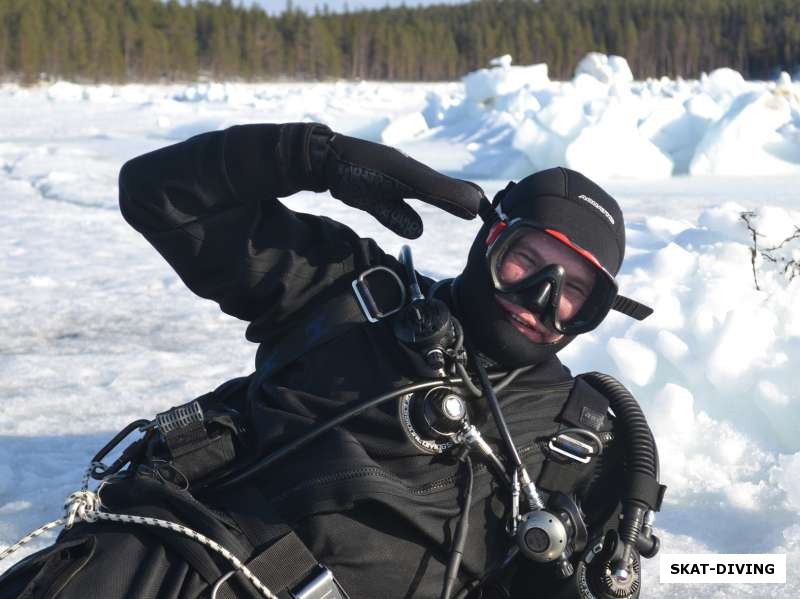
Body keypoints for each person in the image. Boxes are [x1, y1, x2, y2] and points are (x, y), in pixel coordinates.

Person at [0, 123, 664, 599]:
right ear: (489, 238)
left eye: (576, 291)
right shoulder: (348, 293)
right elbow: (157, 194)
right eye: (526, 261)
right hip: (162, 568)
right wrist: (314, 157)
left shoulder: (583, 438)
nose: (541, 301)